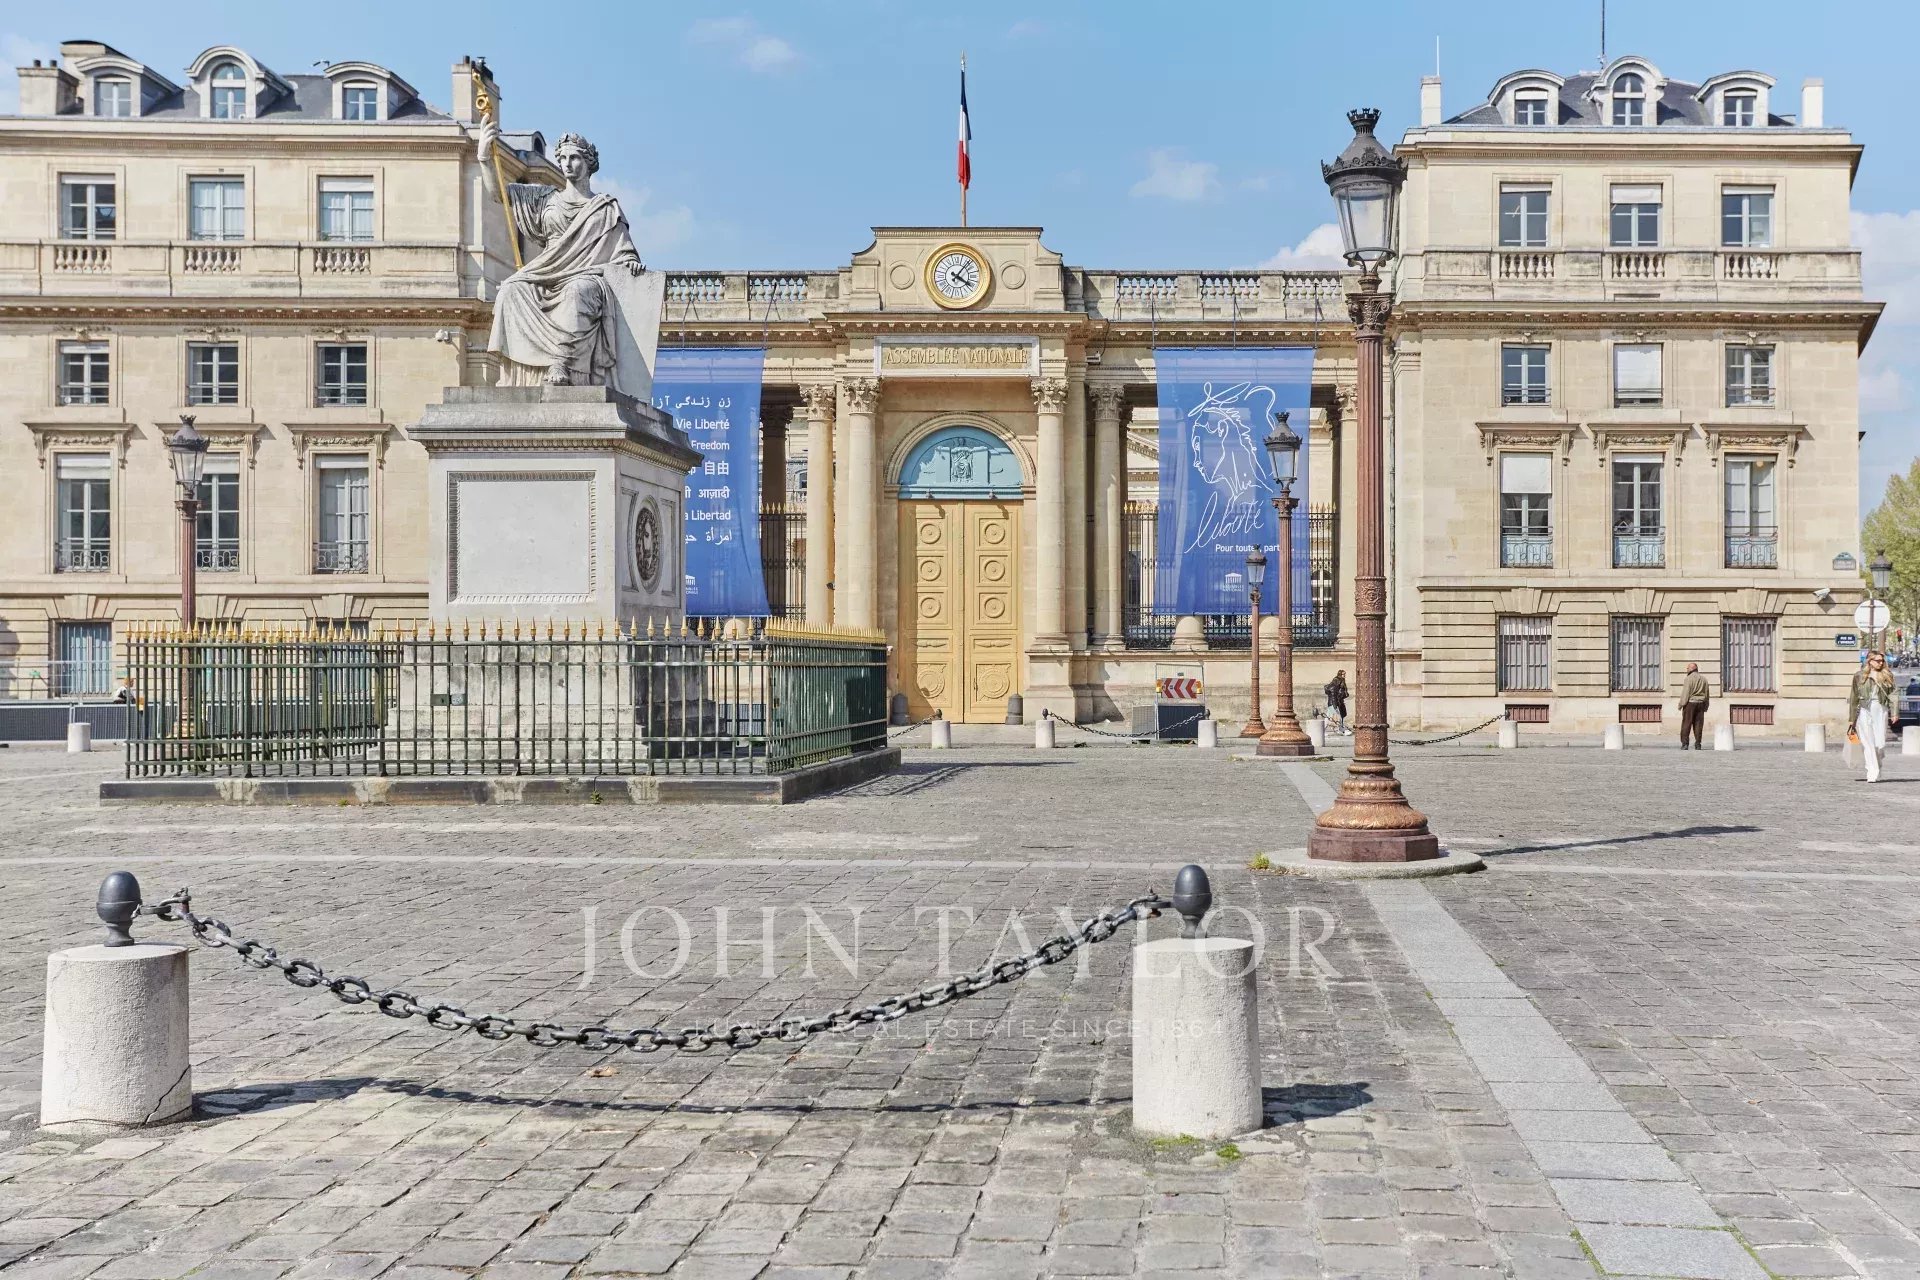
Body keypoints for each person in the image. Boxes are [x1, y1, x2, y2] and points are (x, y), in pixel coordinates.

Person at [1850, 650, 1898, 783]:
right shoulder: (1859, 676)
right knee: (1868, 743)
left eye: (1882, 661)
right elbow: (1854, 697)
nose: (1881, 663)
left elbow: (1893, 694)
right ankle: (1872, 771)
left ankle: (1878, 762)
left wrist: (1894, 712)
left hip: (1880, 709)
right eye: (1878, 661)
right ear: (1870, 661)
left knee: (1879, 744)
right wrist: (1852, 718)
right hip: (1865, 710)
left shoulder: (1887, 675)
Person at [1678, 662, 1710, 749]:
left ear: (1692, 669)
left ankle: (1685, 744)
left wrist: (1681, 704)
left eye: (1688, 668)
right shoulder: (1704, 679)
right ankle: (1698, 743)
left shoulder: (1688, 679)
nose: (1687, 670)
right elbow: (1707, 693)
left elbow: (1686, 693)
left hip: (1690, 703)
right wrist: (1706, 705)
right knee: (1698, 724)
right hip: (1701, 703)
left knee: (1686, 723)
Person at [1324, 670, 1350, 735]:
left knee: (1329, 717)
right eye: (1343, 674)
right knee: (1338, 716)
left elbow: (1341, 692)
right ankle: (1342, 730)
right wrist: (1334, 704)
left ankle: (1322, 730)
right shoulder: (1337, 681)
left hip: (1337, 702)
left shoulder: (1341, 681)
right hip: (1333, 702)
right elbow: (1333, 693)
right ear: (1340, 674)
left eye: (1345, 674)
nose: (1344, 675)